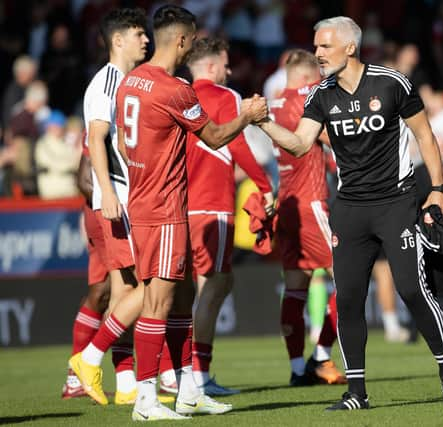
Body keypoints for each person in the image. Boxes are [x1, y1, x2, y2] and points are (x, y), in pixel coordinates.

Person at [257, 16, 443, 410]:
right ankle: (356, 393)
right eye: (316, 46)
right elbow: (301, 144)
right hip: (350, 208)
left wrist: (437, 190)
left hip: (395, 203)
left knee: (412, 290)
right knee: (350, 298)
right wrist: (264, 122)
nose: (317, 53)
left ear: (349, 48)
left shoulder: (392, 83)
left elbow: (425, 134)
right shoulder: (321, 94)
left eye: (324, 46)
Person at [116, 5, 267, 421]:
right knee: (158, 303)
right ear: (181, 41)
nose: (193, 45)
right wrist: (248, 116)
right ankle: (146, 401)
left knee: (182, 300)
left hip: (152, 202)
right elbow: (216, 137)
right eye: (193, 38)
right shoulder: (175, 89)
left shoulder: (132, 81)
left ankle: (188, 392)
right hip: (163, 207)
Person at [177, 36, 274, 396]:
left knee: (186, 289)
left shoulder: (180, 95)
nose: (230, 70)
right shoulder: (227, 96)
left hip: (180, 206)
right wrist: (264, 185)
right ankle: (197, 375)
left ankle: (172, 371)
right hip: (212, 203)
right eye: (226, 63)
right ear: (213, 66)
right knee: (217, 283)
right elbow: (238, 145)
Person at [69, 8, 149, 406]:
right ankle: (89, 358)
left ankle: (128, 383)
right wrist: (108, 191)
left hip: (124, 198)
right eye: (139, 34)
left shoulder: (129, 81)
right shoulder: (107, 82)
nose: (146, 40)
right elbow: (97, 138)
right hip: (117, 199)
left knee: (125, 290)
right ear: (118, 40)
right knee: (149, 286)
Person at [268, 49, 345, 386]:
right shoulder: (308, 97)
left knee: (295, 287)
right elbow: (335, 136)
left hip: (285, 201)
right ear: (305, 77)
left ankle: (298, 369)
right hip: (311, 202)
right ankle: (323, 356)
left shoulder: (273, 103)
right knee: (349, 278)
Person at [62, 144, 110, 399]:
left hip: (105, 212)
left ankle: (77, 375)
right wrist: (111, 203)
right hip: (105, 213)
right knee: (115, 289)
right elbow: (83, 179)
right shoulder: (100, 114)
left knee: (105, 291)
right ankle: (80, 368)